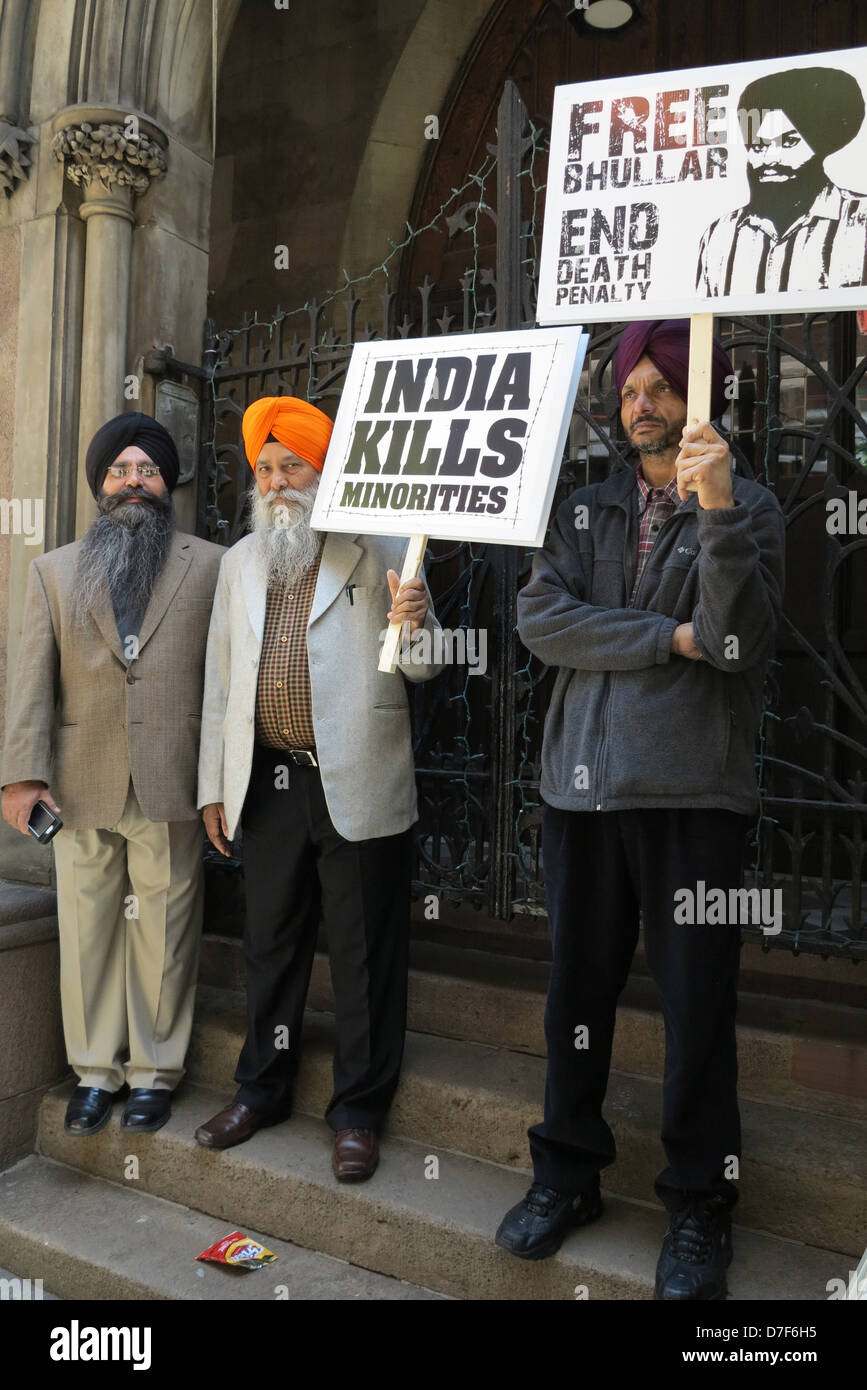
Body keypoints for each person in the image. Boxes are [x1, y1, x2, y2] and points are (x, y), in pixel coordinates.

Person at [494, 320, 786, 1300]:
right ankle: (565, 1173)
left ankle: (700, 1208)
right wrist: (667, 637)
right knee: (576, 996)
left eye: (662, 385)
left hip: (691, 795)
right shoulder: (586, 511)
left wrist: (715, 519)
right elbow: (542, 620)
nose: (643, 403)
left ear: (701, 398)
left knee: (698, 1007)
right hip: (580, 790)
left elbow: (739, 644)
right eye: (630, 391)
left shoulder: (749, 507)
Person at [195, 395, 443, 1181]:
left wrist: (418, 618)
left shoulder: (380, 548)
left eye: (290, 465)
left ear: (323, 469)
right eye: (264, 469)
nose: (275, 482)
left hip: (356, 779)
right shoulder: (238, 561)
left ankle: (357, 1113)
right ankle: (260, 1090)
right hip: (265, 786)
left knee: (365, 950)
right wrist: (212, 787)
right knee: (270, 946)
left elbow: (425, 668)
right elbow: (219, 688)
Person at [1, 414, 223, 1136]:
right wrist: (21, 776)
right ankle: (95, 1073)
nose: (135, 481)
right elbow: (30, 680)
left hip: (173, 779)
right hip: (78, 780)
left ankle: (155, 1074)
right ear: (101, 484)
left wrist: (221, 779)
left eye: (148, 470)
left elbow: (224, 685)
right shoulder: (54, 570)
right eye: (121, 470)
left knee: (166, 928)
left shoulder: (213, 565)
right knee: (89, 927)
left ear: (167, 483)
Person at [696, 66, 867, 296]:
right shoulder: (720, 235)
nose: (769, 159)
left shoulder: (859, 221)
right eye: (758, 145)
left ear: (820, 145)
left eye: (788, 143)